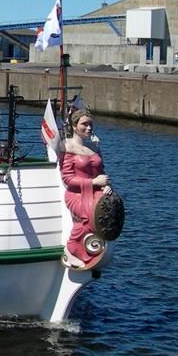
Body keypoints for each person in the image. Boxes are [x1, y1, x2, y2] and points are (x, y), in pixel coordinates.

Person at [59, 108, 112, 269]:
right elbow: (67, 178)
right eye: (84, 124)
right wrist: (93, 182)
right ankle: (72, 248)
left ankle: (90, 243)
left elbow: (101, 172)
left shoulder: (94, 148)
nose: (89, 128)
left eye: (91, 124)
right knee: (90, 214)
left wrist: (106, 185)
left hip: (95, 191)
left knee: (107, 212)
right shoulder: (67, 147)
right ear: (74, 126)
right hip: (77, 194)